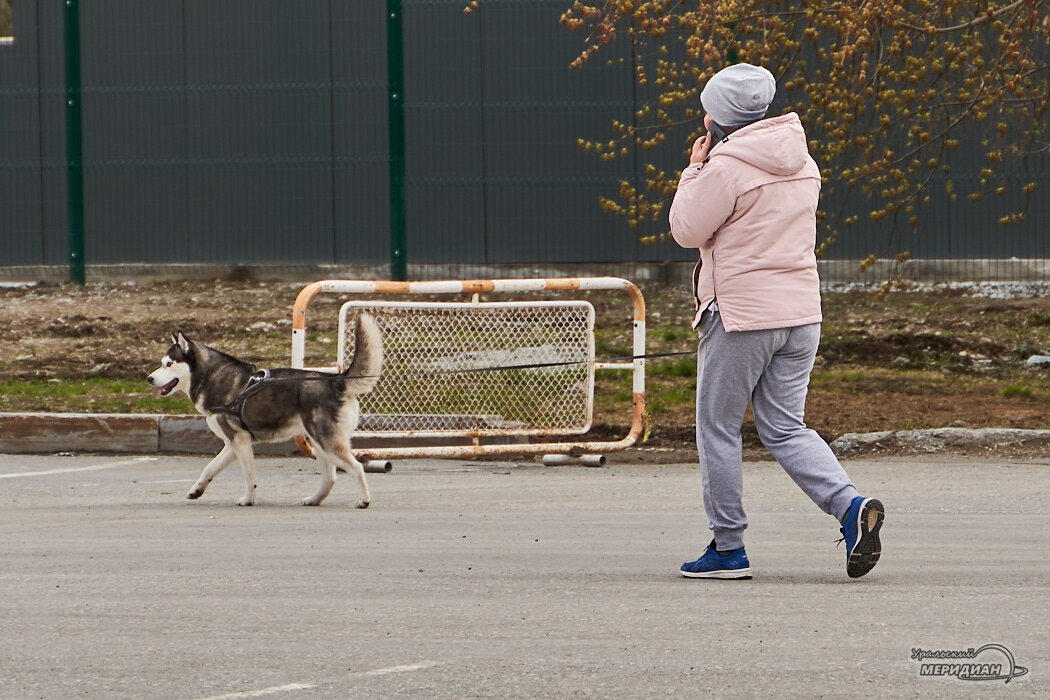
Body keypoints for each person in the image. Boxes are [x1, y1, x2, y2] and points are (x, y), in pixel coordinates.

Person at [668, 63, 884, 579]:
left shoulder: (724, 168)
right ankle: (850, 506)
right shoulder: (802, 160)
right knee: (786, 426)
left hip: (742, 316)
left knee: (718, 427)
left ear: (716, 118)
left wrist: (694, 170)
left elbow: (686, 229)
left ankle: (728, 549)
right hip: (801, 314)